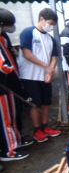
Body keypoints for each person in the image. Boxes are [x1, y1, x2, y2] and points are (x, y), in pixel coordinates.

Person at [18, 8, 61, 143]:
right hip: (30, 76)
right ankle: (37, 130)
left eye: (53, 25)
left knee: (46, 102)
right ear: (42, 19)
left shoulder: (50, 39)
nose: (51, 26)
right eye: (50, 23)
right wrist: (46, 66)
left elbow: (54, 57)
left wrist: (50, 70)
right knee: (34, 103)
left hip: (45, 76)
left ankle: (45, 126)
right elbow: (27, 53)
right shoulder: (28, 32)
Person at [0, 8, 33, 151]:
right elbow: (3, 65)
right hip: (3, 84)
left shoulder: (3, 36)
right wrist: (10, 70)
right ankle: (9, 150)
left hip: (10, 82)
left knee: (14, 114)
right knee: (6, 118)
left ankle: (16, 140)